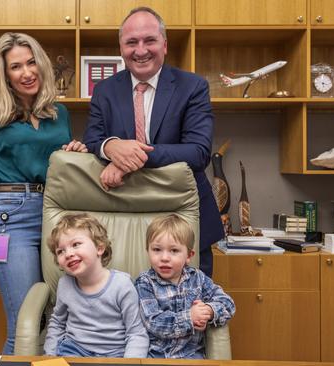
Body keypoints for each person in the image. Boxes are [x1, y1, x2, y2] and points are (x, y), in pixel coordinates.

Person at [0, 32, 86, 355]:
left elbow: (59, 166)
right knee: (25, 323)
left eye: (31, 63)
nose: (27, 72)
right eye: (16, 66)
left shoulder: (58, 113)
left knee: (56, 316)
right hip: (10, 216)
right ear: (4, 73)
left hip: (56, 215)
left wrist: (75, 152)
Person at [82, 7, 223, 276]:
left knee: (190, 310)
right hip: (125, 217)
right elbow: (93, 138)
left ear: (165, 45)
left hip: (185, 219)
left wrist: (129, 159)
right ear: (121, 48)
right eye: (131, 42)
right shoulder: (104, 90)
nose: (140, 50)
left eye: (150, 40)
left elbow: (198, 152)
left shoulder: (192, 86)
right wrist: (111, 146)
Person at [44, 213, 149, 358]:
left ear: (100, 248)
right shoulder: (65, 284)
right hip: (74, 350)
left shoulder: (122, 285)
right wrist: (49, 355)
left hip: (114, 355)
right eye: (60, 251)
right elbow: (57, 323)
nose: (68, 254)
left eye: (76, 244)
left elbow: (136, 333)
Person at [135, 214, 235, 359]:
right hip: (156, 356)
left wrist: (208, 312)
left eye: (174, 251)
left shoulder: (197, 278)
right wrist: (190, 317)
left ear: (189, 255)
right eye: (157, 249)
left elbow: (228, 303)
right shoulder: (144, 283)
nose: (164, 258)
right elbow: (154, 323)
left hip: (191, 355)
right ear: (148, 251)